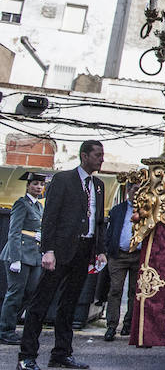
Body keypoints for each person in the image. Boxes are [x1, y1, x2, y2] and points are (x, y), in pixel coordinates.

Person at [18, 140, 107, 370]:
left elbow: (98, 222)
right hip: (59, 252)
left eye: (102, 154)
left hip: (84, 251)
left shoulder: (98, 185)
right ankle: (26, 357)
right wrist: (48, 250)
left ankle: (61, 354)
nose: (101, 159)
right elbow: (50, 217)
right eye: (97, 155)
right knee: (41, 303)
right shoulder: (63, 180)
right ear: (84, 156)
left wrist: (100, 251)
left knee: (69, 305)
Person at [0, 173, 46, 345]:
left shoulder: (39, 207)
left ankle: (10, 325)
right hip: (19, 254)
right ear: (28, 186)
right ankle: (5, 330)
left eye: (41, 184)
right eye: (35, 184)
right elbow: (14, 231)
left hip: (34, 256)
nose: (39, 187)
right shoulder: (21, 203)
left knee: (29, 293)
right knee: (15, 293)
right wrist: (15, 258)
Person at [103, 183, 141, 342]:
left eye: (139, 190)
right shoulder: (118, 210)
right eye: (134, 189)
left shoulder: (147, 209)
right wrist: (107, 250)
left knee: (135, 291)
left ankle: (129, 324)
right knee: (115, 289)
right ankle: (112, 325)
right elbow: (110, 231)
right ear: (128, 191)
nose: (136, 192)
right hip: (119, 255)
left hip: (138, 255)